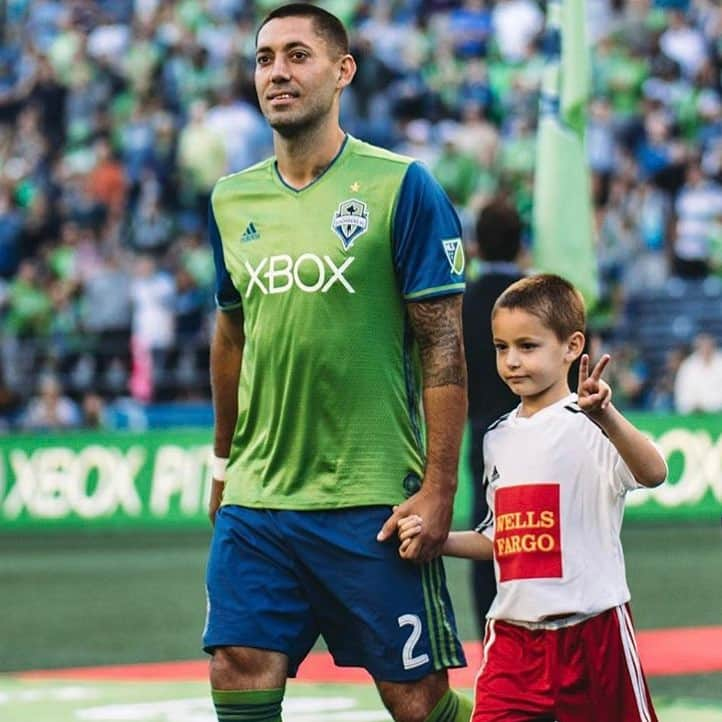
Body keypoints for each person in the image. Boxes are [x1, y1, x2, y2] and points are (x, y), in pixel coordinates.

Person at [204, 6, 472, 722]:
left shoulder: (402, 185)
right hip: (259, 499)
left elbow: (442, 343)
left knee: (416, 701)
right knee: (237, 663)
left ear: (342, 70)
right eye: (264, 59)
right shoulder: (232, 199)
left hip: (374, 497)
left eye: (297, 55)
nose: (277, 73)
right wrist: (223, 463)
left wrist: (440, 486)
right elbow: (231, 334)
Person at [398, 274, 667, 722]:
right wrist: (437, 538)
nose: (512, 361)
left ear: (571, 346)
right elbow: (498, 538)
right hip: (513, 641)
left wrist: (606, 416)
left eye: (527, 346)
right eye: (502, 348)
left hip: (593, 634)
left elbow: (654, 472)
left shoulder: (592, 423)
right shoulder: (496, 437)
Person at [462, 197, 525, 635]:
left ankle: (493, 639)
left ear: (476, 246)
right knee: (545, 533)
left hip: (482, 430)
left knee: (487, 535)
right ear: (521, 244)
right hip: (540, 426)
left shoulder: (462, 302)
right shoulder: (541, 298)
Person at [673, 332, 722, 413]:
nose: (706, 349)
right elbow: (683, 393)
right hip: (696, 414)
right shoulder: (688, 366)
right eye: (702, 346)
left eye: (708, 345)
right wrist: (692, 406)